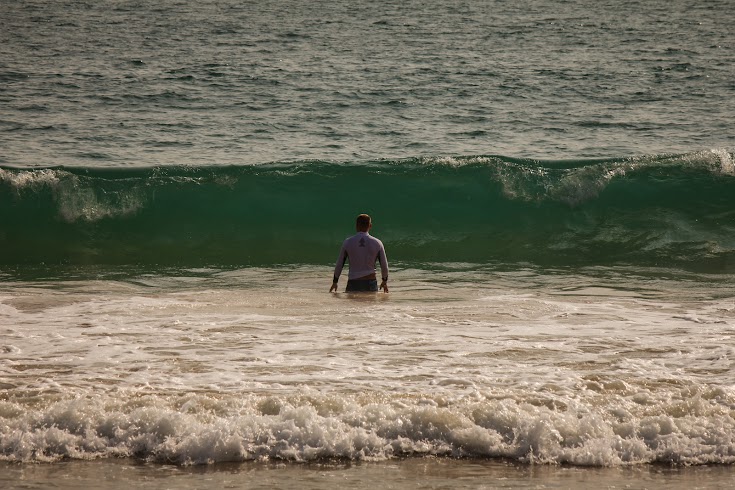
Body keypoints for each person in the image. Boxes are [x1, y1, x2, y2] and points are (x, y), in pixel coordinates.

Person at [330, 214, 389, 293]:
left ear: (356, 225)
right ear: (370, 225)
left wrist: (335, 281)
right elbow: (384, 265)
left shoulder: (348, 242)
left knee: (353, 305)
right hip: (370, 282)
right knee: (370, 305)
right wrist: (384, 280)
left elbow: (340, 264)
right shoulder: (377, 243)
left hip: (353, 282)